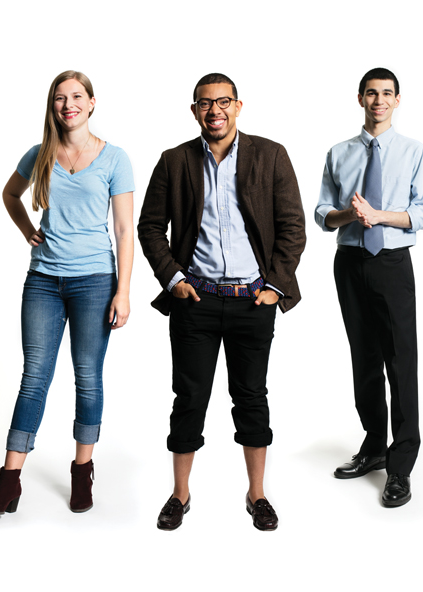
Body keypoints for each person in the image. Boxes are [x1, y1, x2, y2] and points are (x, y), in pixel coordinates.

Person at [138, 73, 306, 532]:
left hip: (254, 300)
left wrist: (274, 285)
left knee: (251, 396)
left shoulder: (270, 155)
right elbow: (150, 227)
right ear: (194, 110)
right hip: (196, 299)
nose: (215, 110)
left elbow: (292, 227)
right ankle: (179, 494)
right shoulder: (174, 161)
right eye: (206, 103)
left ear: (238, 106)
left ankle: (257, 495)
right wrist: (173, 279)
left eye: (224, 102)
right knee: (189, 397)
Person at [0, 70, 134, 516]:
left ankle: (82, 471)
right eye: (60, 98)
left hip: (94, 281)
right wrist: (28, 229)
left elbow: (124, 230)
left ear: (91, 103)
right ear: (54, 107)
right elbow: (10, 195)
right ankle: (10, 481)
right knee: (35, 377)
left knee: (87, 376)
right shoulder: (40, 153)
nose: (69, 104)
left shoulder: (114, 158)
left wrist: (123, 291)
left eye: (77, 97)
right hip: (44, 280)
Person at [314, 67, 423, 507]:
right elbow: (322, 212)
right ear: (360, 99)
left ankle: (401, 466)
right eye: (371, 93)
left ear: (397, 100)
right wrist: (351, 215)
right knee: (363, 359)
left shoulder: (414, 152)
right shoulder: (339, 152)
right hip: (349, 262)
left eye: (387, 94)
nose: (378, 101)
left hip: (392, 262)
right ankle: (373, 447)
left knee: (401, 362)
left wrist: (380, 216)